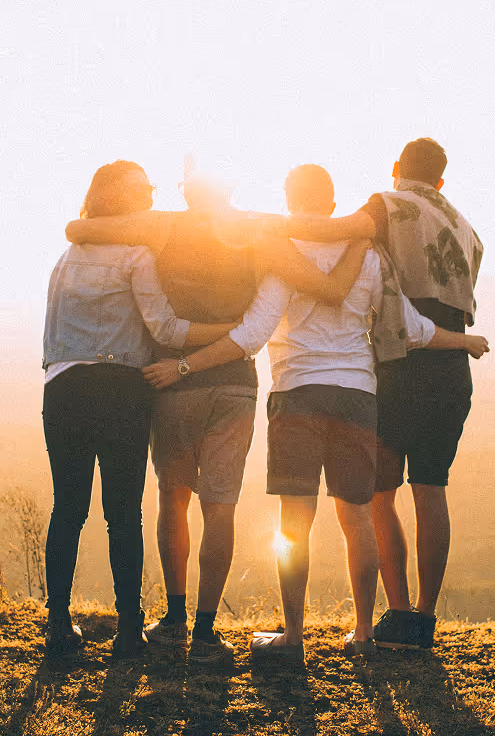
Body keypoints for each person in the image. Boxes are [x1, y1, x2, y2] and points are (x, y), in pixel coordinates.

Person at [143, 164, 489, 661]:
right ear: (332, 205)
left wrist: (184, 366)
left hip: (297, 395)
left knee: (294, 524)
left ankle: (292, 637)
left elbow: (252, 335)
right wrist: (467, 341)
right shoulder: (369, 255)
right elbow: (412, 328)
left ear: (289, 200)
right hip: (358, 397)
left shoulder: (284, 254)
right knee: (358, 520)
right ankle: (365, 634)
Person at [65, 170, 372, 663]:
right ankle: (207, 633)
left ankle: (174, 619)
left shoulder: (160, 225)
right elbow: (324, 270)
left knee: (174, 497)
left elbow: (80, 231)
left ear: (186, 190)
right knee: (221, 505)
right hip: (234, 383)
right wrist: (360, 230)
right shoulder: (257, 229)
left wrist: (81, 229)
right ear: (229, 188)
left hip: (174, 380)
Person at [42, 161, 239, 658]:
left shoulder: (67, 257)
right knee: (123, 515)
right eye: (144, 190)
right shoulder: (137, 254)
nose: (151, 197)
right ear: (123, 200)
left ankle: (59, 625)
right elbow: (167, 331)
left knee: (67, 509)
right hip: (122, 391)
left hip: (62, 388)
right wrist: (231, 333)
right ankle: (130, 630)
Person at [357, 138, 485, 649]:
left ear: (396, 169)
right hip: (452, 368)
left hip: (400, 363)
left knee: (380, 490)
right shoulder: (467, 228)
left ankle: (399, 611)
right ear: (442, 180)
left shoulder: (385, 205)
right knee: (431, 487)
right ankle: (426, 619)